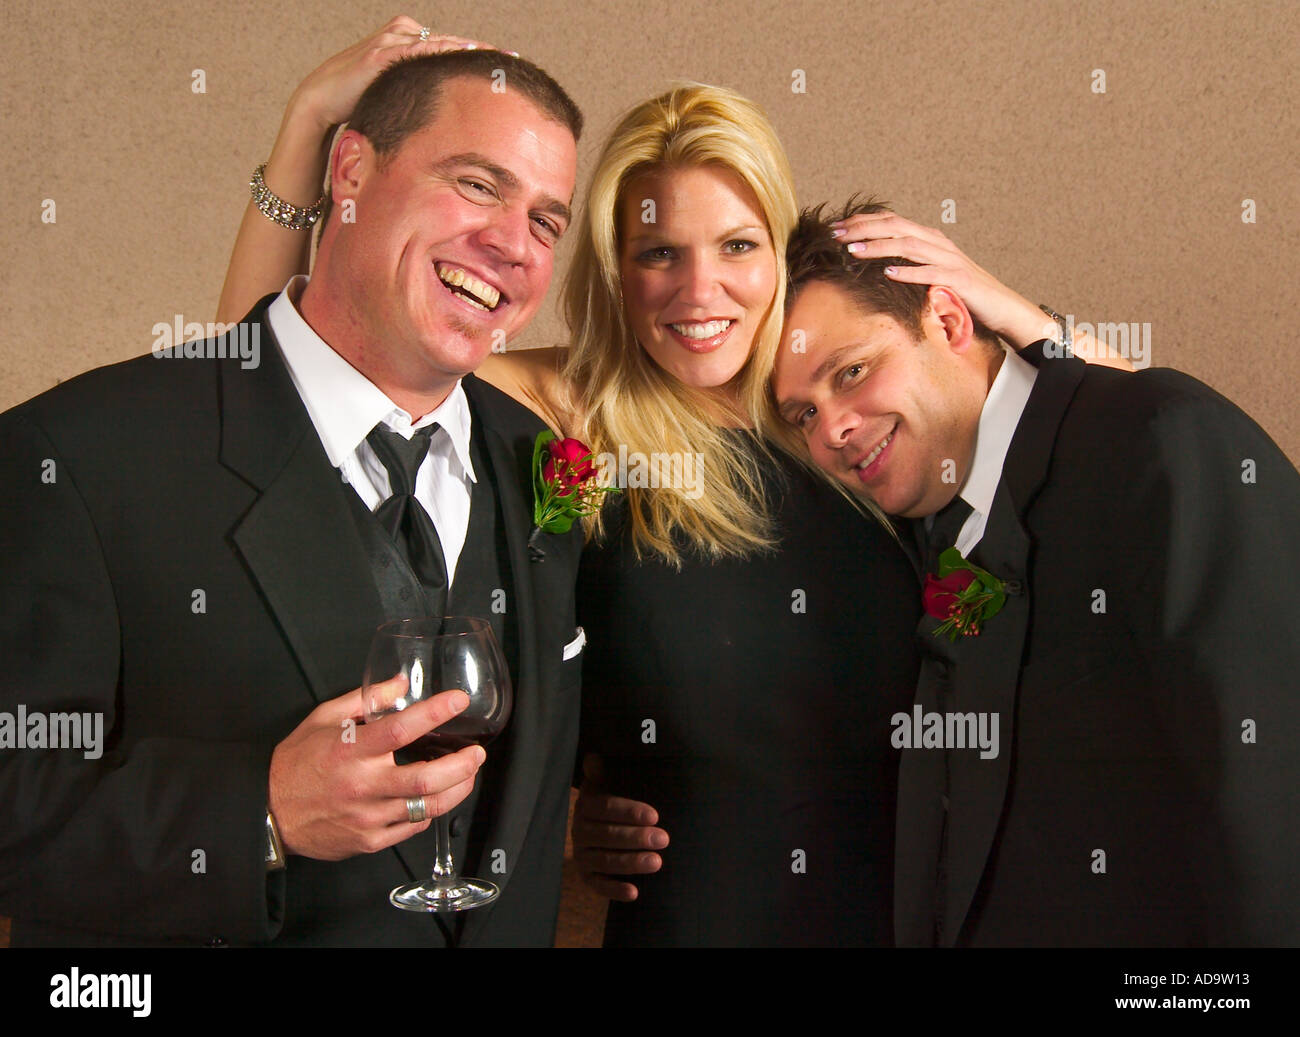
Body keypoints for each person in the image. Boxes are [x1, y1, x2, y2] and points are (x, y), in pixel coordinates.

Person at [222, 24, 1133, 946]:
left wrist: (1003, 305)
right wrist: (307, 131)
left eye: (738, 246)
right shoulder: (565, 410)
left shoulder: (851, 412)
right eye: (660, 253)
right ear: (617, 268)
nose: (701, 291)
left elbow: (1145, 438)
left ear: (779, 252)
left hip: (926, 917)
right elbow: (274, 379)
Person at [0, 37, 588, 947]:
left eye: (548, 222)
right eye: (477, 184)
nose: (513, 243)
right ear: (349, 168)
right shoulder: (76, 455)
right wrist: (259, 810)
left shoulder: (548, 465)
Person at [771, 198, 1300, 946]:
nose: (832, 429)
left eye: (852, 371)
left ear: (948, 320)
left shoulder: (1159, 442)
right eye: (802, 414)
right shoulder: (914, 530)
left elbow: (1274, 797)